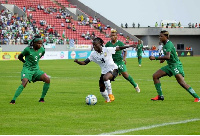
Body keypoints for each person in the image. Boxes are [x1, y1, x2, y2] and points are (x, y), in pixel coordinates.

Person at [74, 37, 134, 102]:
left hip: (114, 69)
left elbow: (118, 48)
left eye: (95, 45)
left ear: (100, 44)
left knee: (105, 78)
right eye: (93, 45)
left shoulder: (107, 50)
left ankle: (110, 95)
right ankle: (107, 100)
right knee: (102, 89)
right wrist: (78, 62)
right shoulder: (93, 54)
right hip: (104, 72)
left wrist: (129, 46)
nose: (94, 46)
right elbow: (85, 62)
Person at [149, 30, 200, 102]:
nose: (159, 37)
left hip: (175, 65)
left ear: (166, 37)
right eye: (159, 36)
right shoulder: (165, 44)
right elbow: (169, 55)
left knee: (182, 83)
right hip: (170, 65)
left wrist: (155, 58)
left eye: (161, 36)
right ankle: (160, 96)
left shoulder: (168, 44)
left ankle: (197, 97)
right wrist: (163, 59)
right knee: (155, 76)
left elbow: (168, 56)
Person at [10, 35, 50, 104]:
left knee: (47, 79)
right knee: (24, 82)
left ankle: (42, 99)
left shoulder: (42, 50)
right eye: (38, 43)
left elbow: (38, 57)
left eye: (41, 43)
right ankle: (13, 100)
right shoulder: (28, 49)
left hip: (36, 70)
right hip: (27, 69)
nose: (40, 45)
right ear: (34, 43)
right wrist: (25, 62)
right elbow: (20, 56)